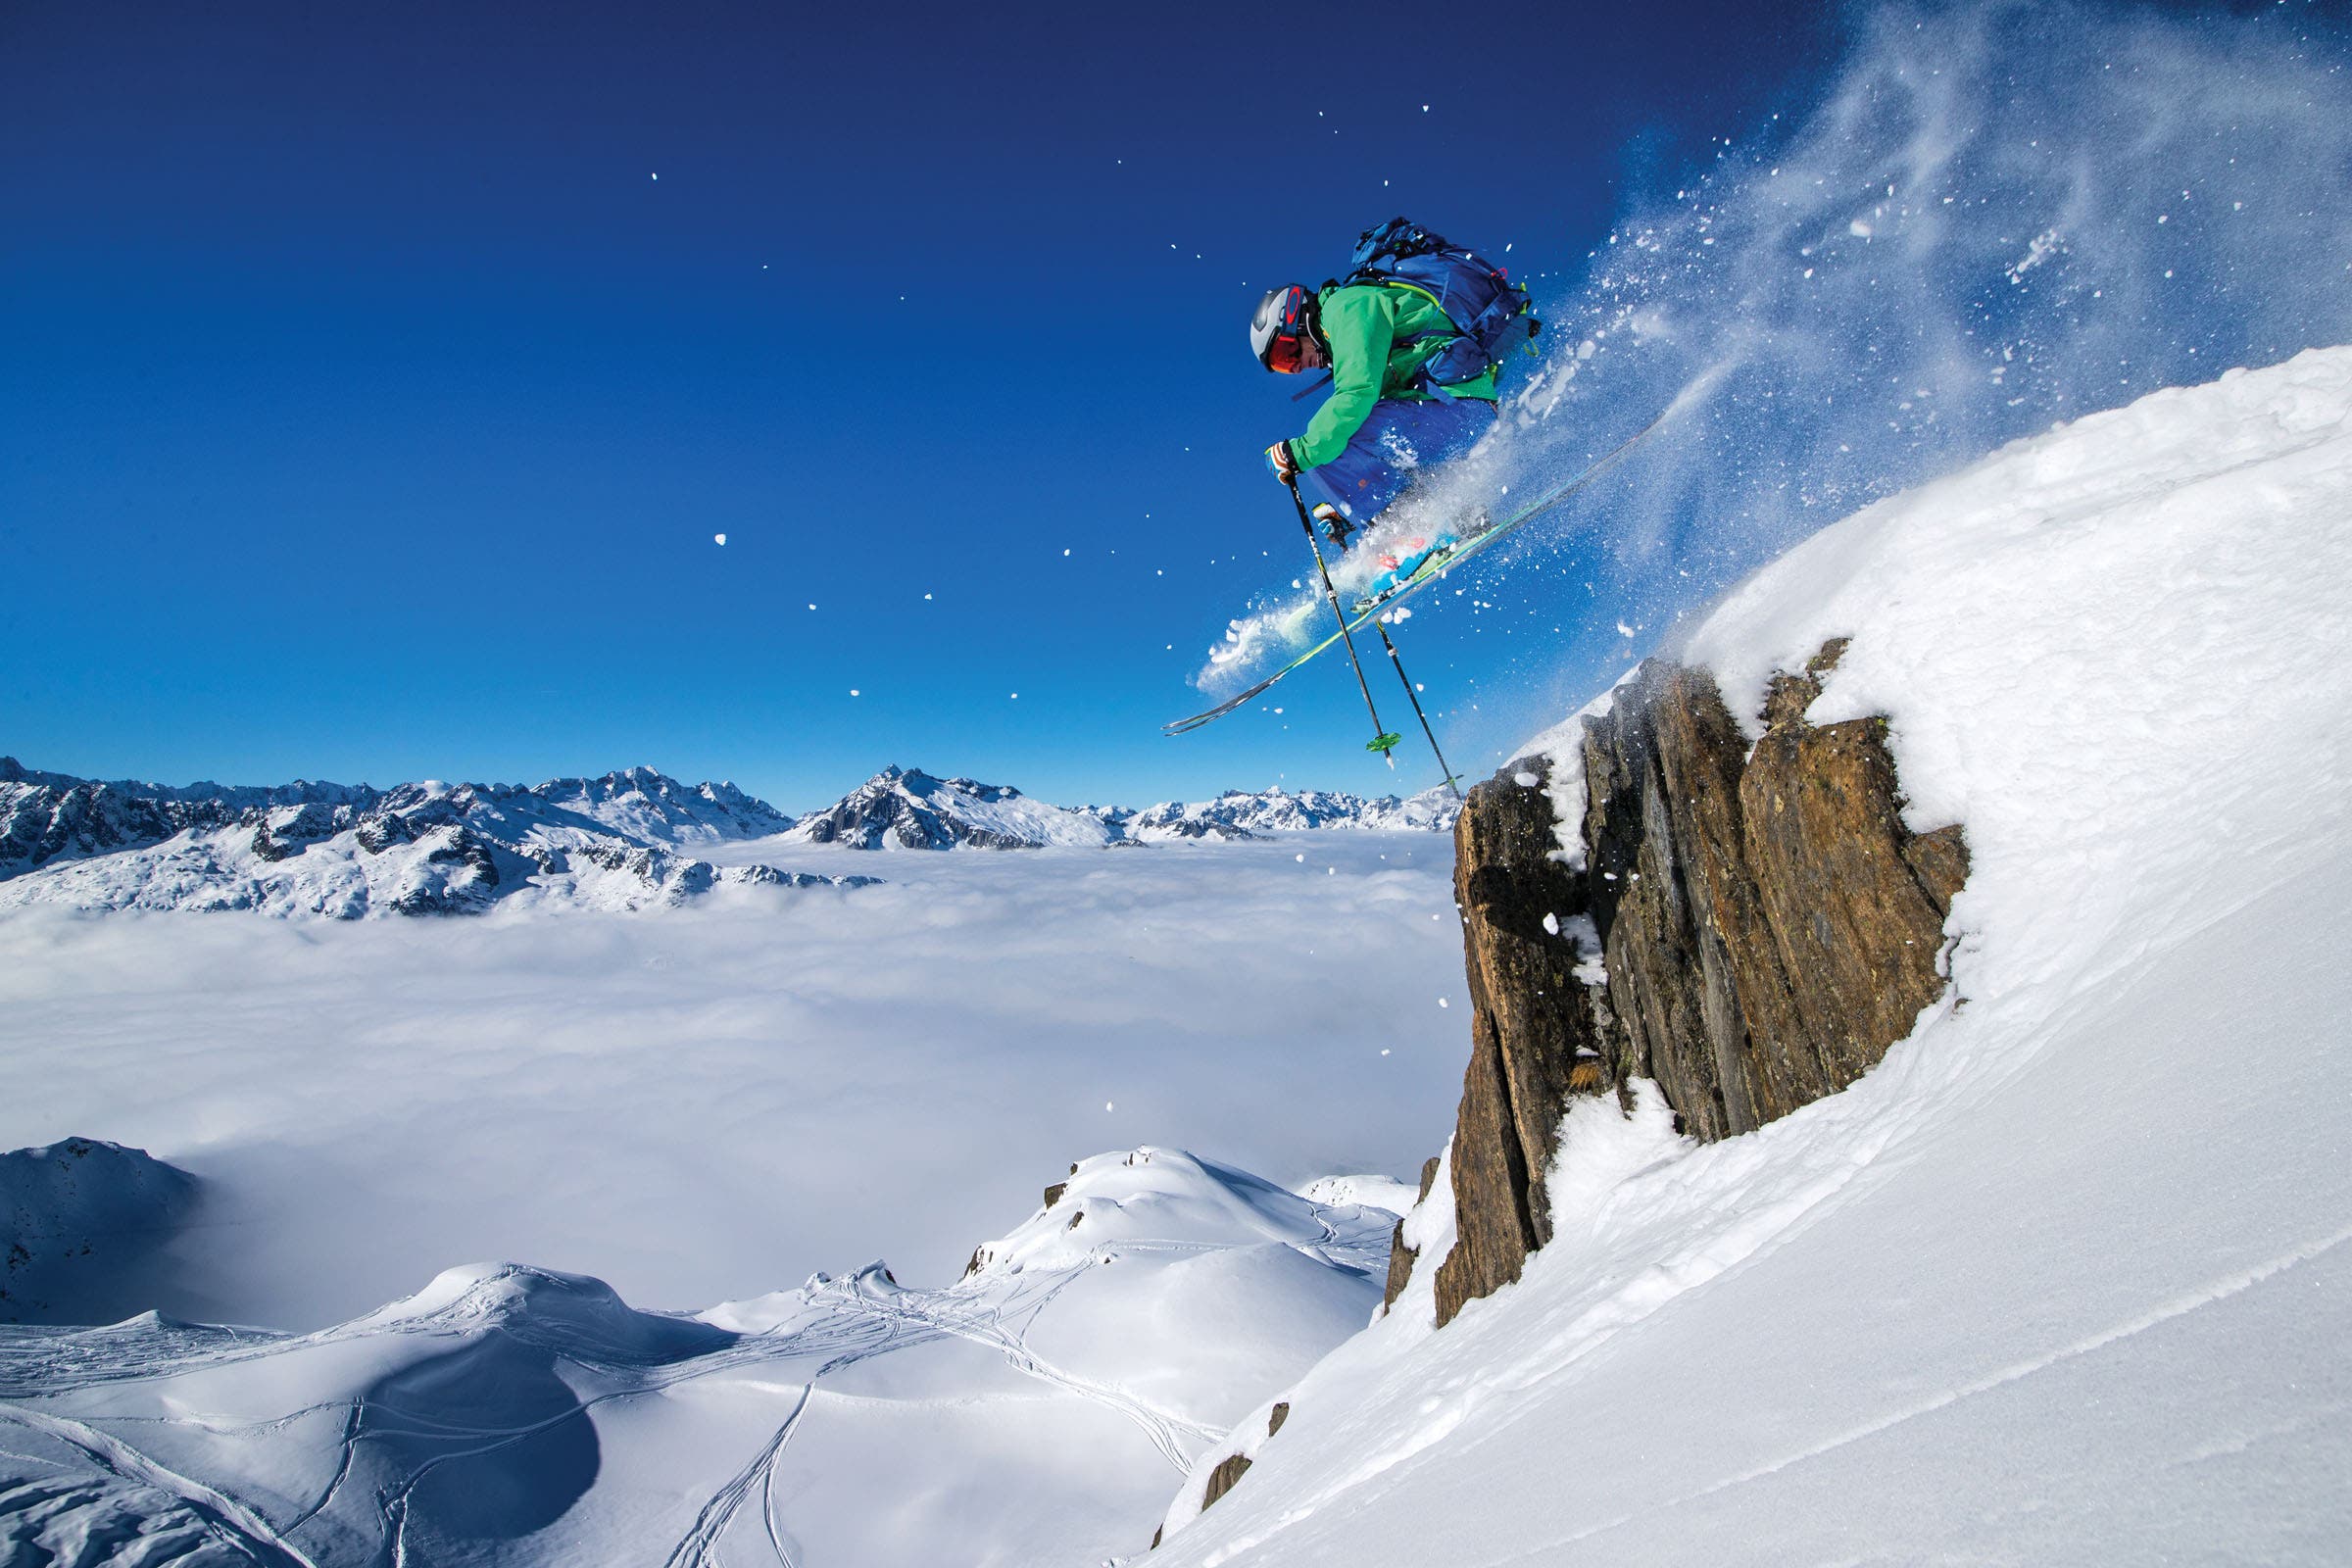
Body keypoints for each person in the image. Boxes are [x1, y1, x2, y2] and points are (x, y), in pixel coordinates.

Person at [1250, 276, 1500, 586]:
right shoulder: (1344, 329)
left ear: (1297, 317)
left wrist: (1298, 453)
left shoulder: (1347, 308)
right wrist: (1343, 503)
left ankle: (1420, 532)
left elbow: (1357, 393)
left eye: (1287, 353)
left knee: (1323, 446)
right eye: (1285, 367)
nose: (1297, 367)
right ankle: (1456, 514)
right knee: (1328, 451)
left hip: (1457, 408)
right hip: (1450, 413)